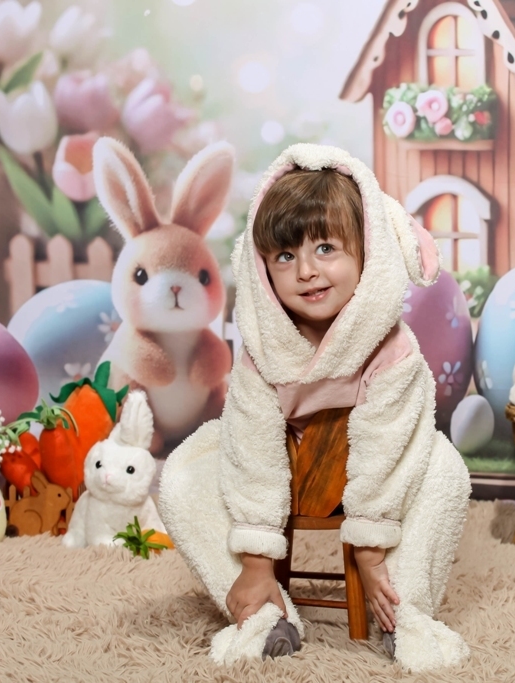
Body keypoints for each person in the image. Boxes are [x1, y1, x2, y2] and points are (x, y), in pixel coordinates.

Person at [159, 143, 471, 673]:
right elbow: (252, 450)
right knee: (184, 474)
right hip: (286, 476)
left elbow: (391, 443)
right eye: (285, 256)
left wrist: (370, 547)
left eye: (326, 247)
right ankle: (263, 613)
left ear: (367, 250)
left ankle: (403, 609)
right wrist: (257, 558)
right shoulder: (264, 351)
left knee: (444, 469)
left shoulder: (392, 350)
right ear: (261, 268)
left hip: (373, 481)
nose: (306, 270)